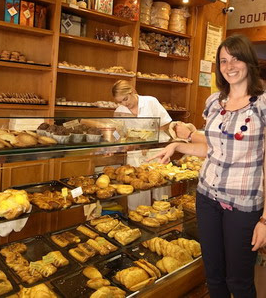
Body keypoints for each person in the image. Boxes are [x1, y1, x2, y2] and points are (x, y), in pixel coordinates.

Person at [150, 34, 266, 298]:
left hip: (243, 204)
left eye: (236, 58)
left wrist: (265, 220)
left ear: (249, 61)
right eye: (223, 60)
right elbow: (212, 149)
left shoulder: (262, 105)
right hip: (207, 198)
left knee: (238, 280)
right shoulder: (214, 102)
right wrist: (178, 146)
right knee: (213, 276)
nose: (230, 65)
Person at [112, 80, 172, 208]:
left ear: (132, 91)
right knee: (137, 189)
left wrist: (148, 134)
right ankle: (138, 218)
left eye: (125, 99)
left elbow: (166, 124)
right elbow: (118, 133)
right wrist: (114, 141)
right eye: (120, 101)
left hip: (156, 151)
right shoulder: (120, 110)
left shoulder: (150, 102)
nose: (124, 103)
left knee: (162, 189)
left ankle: (164, 214)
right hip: (136, 153)